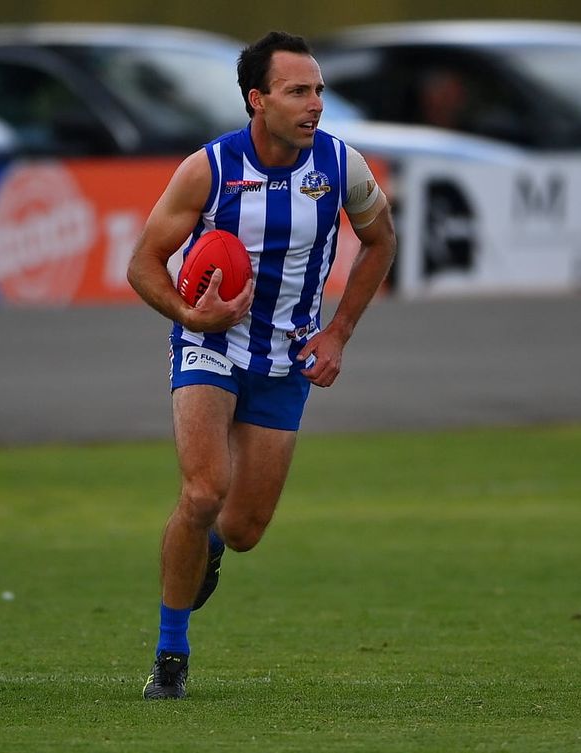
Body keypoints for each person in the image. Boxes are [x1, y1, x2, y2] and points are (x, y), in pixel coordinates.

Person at [126, 30, 396, 700]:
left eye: (319, 91)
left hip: (285, 358)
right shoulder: (209, 169)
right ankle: (170, 652)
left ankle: (208, 551)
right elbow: (142, 265)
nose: (314, 105)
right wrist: (191, 316)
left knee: (242, 530)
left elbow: (381, 239)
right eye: (297, 91)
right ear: (257, 100)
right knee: (202, 491)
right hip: (209, 346)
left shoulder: (340, 166)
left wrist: (338, 333)